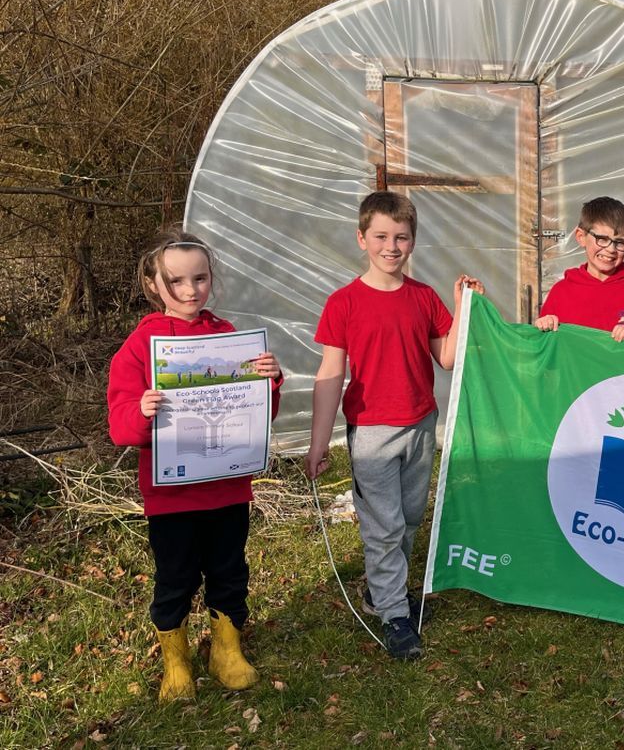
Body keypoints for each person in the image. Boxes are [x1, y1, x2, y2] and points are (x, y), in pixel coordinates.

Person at [304, 190, 483, 661]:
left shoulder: (423, 297)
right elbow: (330, 375)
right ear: (361, 238)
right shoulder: (343, 302)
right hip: (371, 433)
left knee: (407, 519)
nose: (391, 246)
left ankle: (379, 589)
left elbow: (446, 358)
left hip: (421, 425)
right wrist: (318, 442)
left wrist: (462, 306)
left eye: (401, 237)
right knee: (382, 527)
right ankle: (395, 616)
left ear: (413, 241)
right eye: (381, 236)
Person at [106, 227, 283, 701]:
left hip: (228, 489)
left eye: (200, 279)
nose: (190, 291)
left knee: (230, 570)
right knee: (176, 577)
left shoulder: (228, 337)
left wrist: (270, 381)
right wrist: (141, 413)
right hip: (171, 498)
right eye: (177, 281)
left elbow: (258, 410)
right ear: (153, 284)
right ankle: (176, 659)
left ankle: (226, 648)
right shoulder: (139, 347)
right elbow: (121, 429)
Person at [535, 196, 624, 339]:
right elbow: (544, 345)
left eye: (620, 242)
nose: (611, 249)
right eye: (602, 239)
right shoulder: (561, 292)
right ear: (581, 237)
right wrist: (543, 325)